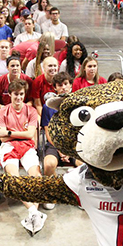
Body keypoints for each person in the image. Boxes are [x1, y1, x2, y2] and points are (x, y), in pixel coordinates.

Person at [0, 79, 45, 233]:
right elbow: (2, 138)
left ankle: (33, 213)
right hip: (9, 147)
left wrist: (10, 132)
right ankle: (34, 212)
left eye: (21, 94)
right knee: (14, 179)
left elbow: (30, 134)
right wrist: (18, 135)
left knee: (36, 178)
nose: (18, 97)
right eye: (15, 94)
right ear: (10, 95)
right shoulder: (2, 111)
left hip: (27, 146)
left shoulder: (31, 111)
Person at [41, 73, 82, 211]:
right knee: (48, 164)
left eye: (66, 84)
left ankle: (80, 195)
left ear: (71, 85)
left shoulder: (78, 104)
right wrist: (60, 150)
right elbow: (48, 132)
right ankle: (51, 194)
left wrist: (69, 150)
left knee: (85, 164)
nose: (63, 87)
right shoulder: (48, 107)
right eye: (60, 85)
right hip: (54, 145)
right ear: (55, 88)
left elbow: (79, 131)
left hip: (74, 145)